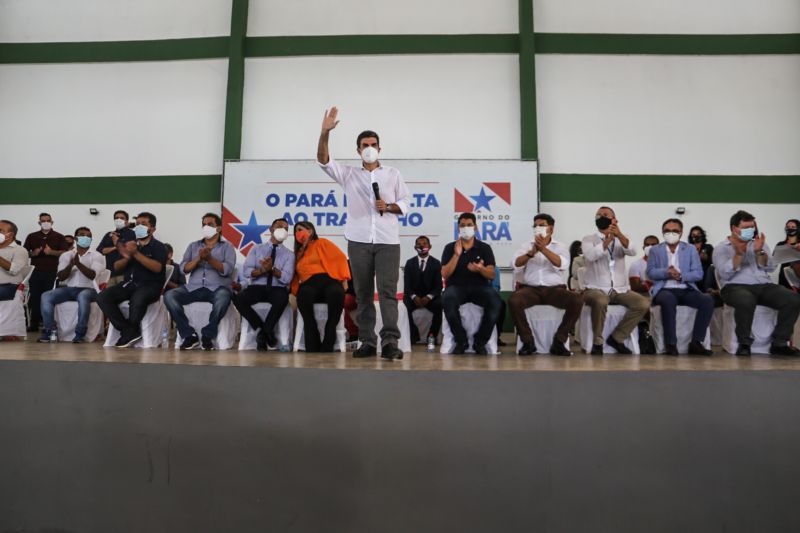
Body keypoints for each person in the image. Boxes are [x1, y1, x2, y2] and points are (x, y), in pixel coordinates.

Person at [317, 106, 409, 360]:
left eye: (373, 144)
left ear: (380, 148)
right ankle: (367, 341)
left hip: (388, 241)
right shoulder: (348, 174)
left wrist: (388, 206)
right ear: (358, 150)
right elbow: (323, 161)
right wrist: (325, 133)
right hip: (358, 241)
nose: (370, 148)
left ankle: (390, 342)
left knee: (387, 293)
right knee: (363, 294)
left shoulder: (393, 174)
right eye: (365, 145)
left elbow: (405, 203)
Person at [713, 210, 800, 356]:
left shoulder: (759, 243)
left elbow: (770, 267)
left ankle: (779, 342)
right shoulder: (721, 248)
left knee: (793, 299)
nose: (750, 230)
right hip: (734, 287)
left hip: (764, 285)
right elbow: (724, 273)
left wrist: (760, 252)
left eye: (752, 227)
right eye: (746, 227)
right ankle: (744, 343)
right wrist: (739, 254)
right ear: (734, 228)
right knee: (746, 299)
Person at [509, 213, 583, 356]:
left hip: (555, 290)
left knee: (577, 300)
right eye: (535, 226)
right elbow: (515, 264)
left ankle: (560, 341)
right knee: (514, 300)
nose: (538, 228)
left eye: (542, 225)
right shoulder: (526, 245)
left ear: (551, 229)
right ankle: (527, 341)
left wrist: (543, 249)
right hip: (531, 290)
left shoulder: (560, 246)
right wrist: (530, 254)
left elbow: (562, 264)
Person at [581, 206, 649, 355]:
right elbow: (591, 256)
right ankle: (597, 342)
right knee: (601, 301)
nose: (601, 217)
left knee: (643, 303)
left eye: (605, 214)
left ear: (614, 219)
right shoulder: (588, 239)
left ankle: (617, 337)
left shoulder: (622, 238)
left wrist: (619, 235)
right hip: (594, 288)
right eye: (598, 215)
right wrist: (607, 241)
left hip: (620, 289)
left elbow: (632, 251)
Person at [164, 213, 236, 350]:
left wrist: (210, 259)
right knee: (169, 296)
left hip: (217, 289)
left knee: (224, 297)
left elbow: (227, 270)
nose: (206, 227)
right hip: (193, 288)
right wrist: (198, 258)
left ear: (219, 228)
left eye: (210, 224)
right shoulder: (193, 246)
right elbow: (183, 269)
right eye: (204, 224)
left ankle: (208, 334)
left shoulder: (227, 247)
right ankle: (188, 334)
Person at [96, 212, 167, 348]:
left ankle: (130, 330)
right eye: (137, 223)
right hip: (129, 284)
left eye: (144, 224)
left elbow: (157, 268)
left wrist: (136, 253)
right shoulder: (130, 245)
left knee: (138, 297)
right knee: (102, 297)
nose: (139, 226)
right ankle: (128, 330)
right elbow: (116, 267)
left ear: (152, 229)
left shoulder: (158, 246)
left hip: (150, 286)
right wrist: (127, 257)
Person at [646, 219, 714, 355]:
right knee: (668, 299)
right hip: (664, 289)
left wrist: (681, 275)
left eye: (675, 231)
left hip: (686, 289)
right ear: (662, 232)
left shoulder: (690, 249)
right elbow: (651, 272)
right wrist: (666, 272)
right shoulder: (655, 250)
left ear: (681, 233)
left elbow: (698, 273)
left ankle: (696, 342)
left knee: (707, 300)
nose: (671, 233)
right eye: (667, 231)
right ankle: (671, 344)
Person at [441, 213, 503, 355]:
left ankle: (480, 341)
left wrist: (481, 269)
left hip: (480, 288)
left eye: (469, 225)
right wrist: (456, 255)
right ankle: (461, 340)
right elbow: (445, 274)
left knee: (495, 301)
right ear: (458, 228)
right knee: (447, 299)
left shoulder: (485, 248)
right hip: (456, 288)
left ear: (475, 227)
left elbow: (492, 274)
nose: (466, 228)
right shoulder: (450, 247)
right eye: (462, 225)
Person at [233, 218, 295, 351]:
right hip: (257, 287)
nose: (283, 230)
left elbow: (287, 278)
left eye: (286, 228)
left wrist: (272, 269)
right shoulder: (256, 249)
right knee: (239, 298)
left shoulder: (290, 255)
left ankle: (262, 335)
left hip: (277, 288)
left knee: (282, 299)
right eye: (279, 227)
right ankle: (265, 331)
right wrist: (262, 270)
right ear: (271, 229)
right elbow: (247, 271)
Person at [291, 222, 351, 354]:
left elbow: (340, 258)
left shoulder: (321, 243)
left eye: (301, 229)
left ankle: (329, 338)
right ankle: (313, 340)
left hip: (328, 280)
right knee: (304, 295)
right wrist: (295, 289)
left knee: (336, 293)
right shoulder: (297, 253)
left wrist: (343, 279)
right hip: (309, 284)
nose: (298, 233)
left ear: (310, 231)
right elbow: (294, 275)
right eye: (296, 231)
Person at [38, 227, 104, 343]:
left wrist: (78, 264)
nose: (86, 238)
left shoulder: (97, 255)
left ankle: (80, 333)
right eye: (82, 235)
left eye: (88, 236)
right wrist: (70, 265)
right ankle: (50, 331)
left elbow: (92, 275)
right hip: (70, 290)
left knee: (83, 296)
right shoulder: (66, 255)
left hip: (90, 290)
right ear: (75, 238)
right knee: (46, 295)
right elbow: (61, 277)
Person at [22, 213, 67, 331]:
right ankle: (34, 324)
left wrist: (52, 252)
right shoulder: (32, 236)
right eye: (43, 221)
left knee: (50, 297)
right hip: (35, 272)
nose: (46, 222)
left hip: (52, 272)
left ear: (52, 222)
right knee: (35, 298)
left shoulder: (59, 236)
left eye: (48, 220)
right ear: (39, 223)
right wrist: (33, 253)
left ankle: (49, 324)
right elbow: (24, 252)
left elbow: (65, 253)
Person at [403, 236, 443, 345]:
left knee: (440, 305)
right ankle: (413, 335)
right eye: (419, 244)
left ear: (430, 246)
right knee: (404, 306)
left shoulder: (436, 263)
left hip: (430, 298)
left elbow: (438, 286)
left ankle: (432, 336)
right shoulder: (409, 263)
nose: (421, 246)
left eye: (424, 244)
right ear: (415, 247)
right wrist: (414, 297)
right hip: (413, 297)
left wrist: (428, 297)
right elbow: (407, 286)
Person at [96, 210, 137, 287]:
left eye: (122, 218)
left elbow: (129, 250)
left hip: (126, 274)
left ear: (126, 221)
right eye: (116, 218)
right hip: (110, 275)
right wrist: (115, 247)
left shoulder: (132, 234)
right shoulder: (109, 234)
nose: (119, 220)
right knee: (108, 294)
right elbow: (99, 250)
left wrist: (117, 242)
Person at [0, 220, 29, 302]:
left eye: (0, 230)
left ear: (10, 235)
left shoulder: (20, 250)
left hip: (10, 287)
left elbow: (14, 270)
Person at [775, 218, 800, 290]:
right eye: (788, 227)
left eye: (793, 227)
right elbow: (773, 263)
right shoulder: (781, 245)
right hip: (784, 278)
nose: (790, 229)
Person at [688, 226, 714, 291]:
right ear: (690, 236)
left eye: (698, 234)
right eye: (693, 234)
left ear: (702, 235)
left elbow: (712, 261)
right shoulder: (687, 248)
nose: (696, 236)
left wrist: (705, 258)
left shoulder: (708, 247)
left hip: (705, 273)